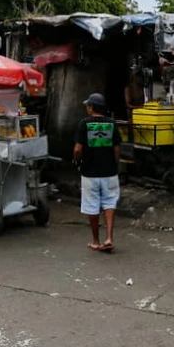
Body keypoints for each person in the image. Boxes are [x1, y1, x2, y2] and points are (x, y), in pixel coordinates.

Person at [73, 92, 121, 252]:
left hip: (90, 173)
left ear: (92, 107)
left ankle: (95, 241)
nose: (87, 107)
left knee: (92, 206)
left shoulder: (84, 123)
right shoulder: (112, 123)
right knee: (109, 203)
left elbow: (78, 149)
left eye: (88, 105)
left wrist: (77, 160)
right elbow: (117, 149)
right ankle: (109, 238)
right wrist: (115, 165)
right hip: (110, 173)